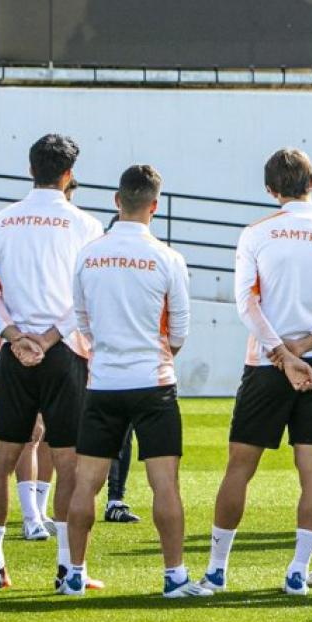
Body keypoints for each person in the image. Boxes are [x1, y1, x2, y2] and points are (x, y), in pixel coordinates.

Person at [205, 148, 312, 595]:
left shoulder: (258, 233)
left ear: (271, 190)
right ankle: (298, 569)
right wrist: (306, 348)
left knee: (240, 466)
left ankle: (217, 570)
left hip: (265, 362)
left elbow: (246, 304)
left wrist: (281, 353)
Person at [0, 134, 102, 591]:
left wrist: (13, 336)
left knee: (1, 457)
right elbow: (89, 297)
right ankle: (67, 568)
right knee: (69, 463)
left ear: (32, 169)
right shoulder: (86, 225)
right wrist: (47, 338)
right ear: (68, 175)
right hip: (64, 350)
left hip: (15, 350)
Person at [67, 165, 205, 597]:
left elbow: (81, 321)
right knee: (164, 483)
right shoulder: (168, 257)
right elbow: (180, 329)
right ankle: (174, 577)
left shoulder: (89, 254)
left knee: (85, 483)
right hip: (153, 382)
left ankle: (73, 573)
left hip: (103, 381)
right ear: (155, 205)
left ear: (116, 201)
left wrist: (108, 349)